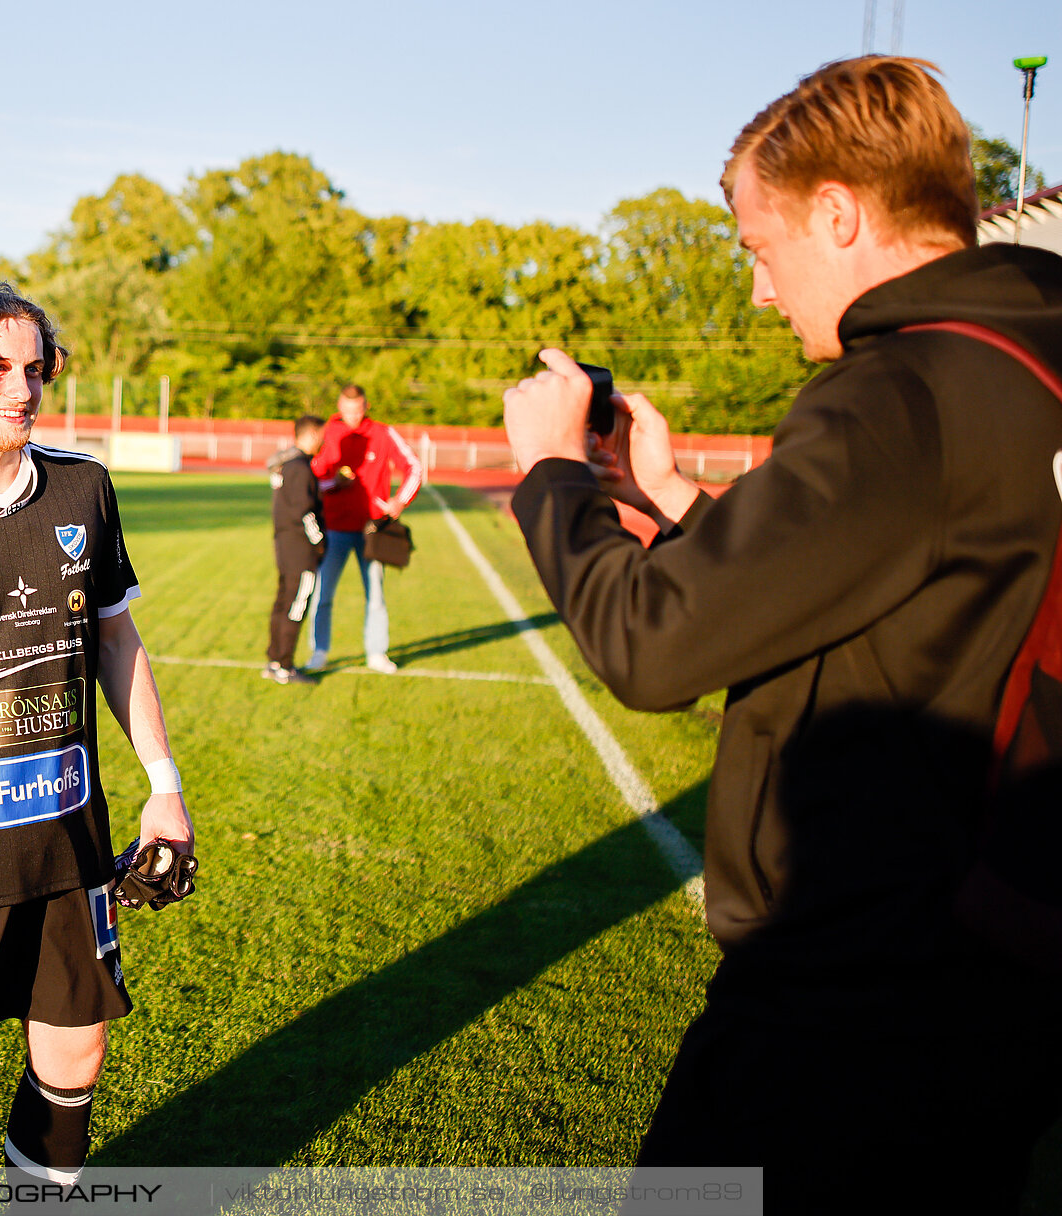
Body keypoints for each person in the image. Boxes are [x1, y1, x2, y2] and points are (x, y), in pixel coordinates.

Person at [502, 56, 1062, 1211]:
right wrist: (673, 497)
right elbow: (897, 590)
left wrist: (553, 471)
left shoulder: (902, 390)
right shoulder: (1029, 365)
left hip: (856, 998)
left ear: (840, 212)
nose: (760, 291)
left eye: (759, 248)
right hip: (992, 975)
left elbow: (654, 645)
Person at [0, 281, 193, 1203]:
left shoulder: (83, 487)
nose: (19, 389)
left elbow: (116, 640)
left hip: (72, 837)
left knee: (78, 1054)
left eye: (32, 368)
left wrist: (163, 784)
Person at [306, 384, 423, 674]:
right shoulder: (327, 432)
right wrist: (336, 484)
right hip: (333, 529)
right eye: (347, 411)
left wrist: (400, 501)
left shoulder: (383, 433)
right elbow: (309, 482)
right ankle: (319, 651)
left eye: (357, 411)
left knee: (376, 595)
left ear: (366, 406)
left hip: (372, 530)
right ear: (338, 406)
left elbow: (415, 466)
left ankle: (376, 652)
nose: (352, 417)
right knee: (323, 594)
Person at [263, 414, 327, 684]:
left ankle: (274, 660)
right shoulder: (300, 467)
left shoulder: (285, 465)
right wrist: (320, 542)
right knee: (295, 606)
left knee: (283, 602)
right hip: (301, 550)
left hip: (285, 546)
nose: (323, 441)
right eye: (321, 435)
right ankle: (284, 666)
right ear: (311, 434)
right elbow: (304, 511)